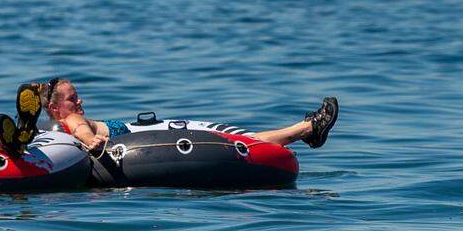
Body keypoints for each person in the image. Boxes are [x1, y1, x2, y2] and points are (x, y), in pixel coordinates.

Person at [39, 77, 339, 154]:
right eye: (72, 98)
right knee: (236, 139)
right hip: (152, 136)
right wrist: (92, 141)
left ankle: (305, 131)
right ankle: (307, 129)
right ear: (55, 108)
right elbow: (82, 131)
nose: (80, 101)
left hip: (156, 131)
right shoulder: (69, 123)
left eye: (77, 95)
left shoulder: (59, 124)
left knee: (235, 136)